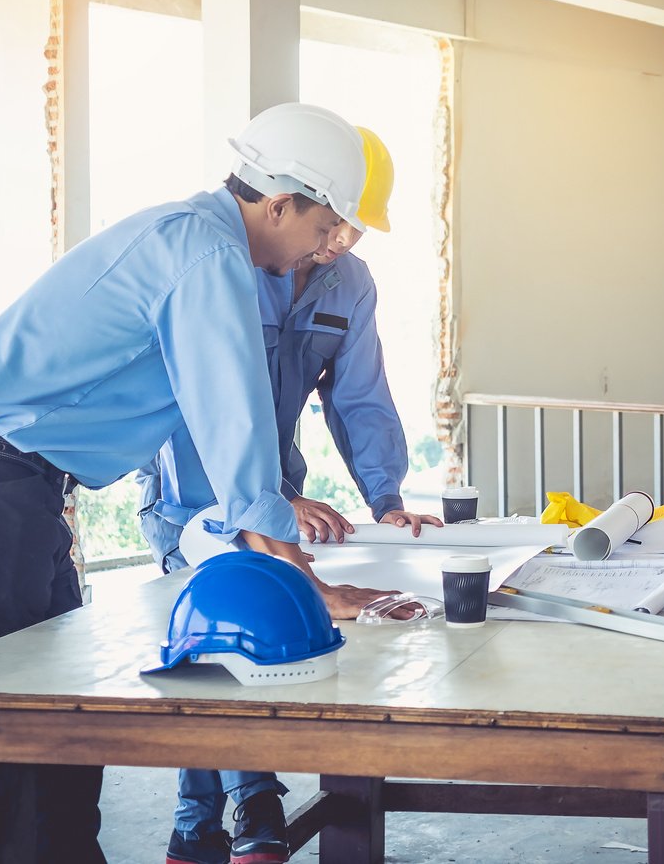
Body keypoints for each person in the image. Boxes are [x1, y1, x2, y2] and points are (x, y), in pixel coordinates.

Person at [0, 102, 404, 864]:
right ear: (280, 203)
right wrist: (309, 591)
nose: (329, 247)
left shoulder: (197, 240)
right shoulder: (205, 256)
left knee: (56, 740)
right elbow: (236, 431)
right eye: (324, 229)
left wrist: (305, 576)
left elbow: (235, 437)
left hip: (16, 492)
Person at [139, 126, 441, 864]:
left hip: (277, 491)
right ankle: (252, 801)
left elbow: (361, 392)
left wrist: (385, 496)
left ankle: (199, 817)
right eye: (331, 222)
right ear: (296, 204)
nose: (338, 241)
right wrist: (261, 502)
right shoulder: (226, 265)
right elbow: (199, 400)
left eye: (354, 228)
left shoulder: (351, 283)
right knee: (226, 637)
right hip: (189, 489)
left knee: (245, 643)